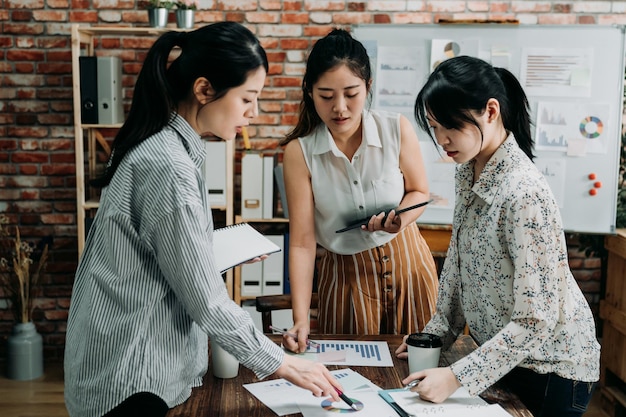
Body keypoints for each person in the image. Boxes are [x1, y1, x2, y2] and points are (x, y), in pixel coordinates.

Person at [64, 22, 343, 417]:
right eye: (248, 99)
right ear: (204, 90)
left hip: (123, 362)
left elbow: (157, 252)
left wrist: (209, 251)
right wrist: (282, 363)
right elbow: (207, 301)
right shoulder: (168, 166)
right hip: (131, 375)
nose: (254, 113)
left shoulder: (161, 144)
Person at [396, 55, 600, 416]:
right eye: (433, 126)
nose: (441, 139)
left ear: (490, 111)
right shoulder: (469, 172)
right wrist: (434, 337)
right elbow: (457, 267)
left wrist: (456, 376)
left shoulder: (524, 194)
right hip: (504, 358)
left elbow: (535, 320)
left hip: (551, 369)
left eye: (450, 126)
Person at [280, 28, 439, 353]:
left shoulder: (396, 129)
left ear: (368, 87)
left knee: (423, 370)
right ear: (310, 92)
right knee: (352, 373)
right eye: (326, 95)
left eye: (351, 94)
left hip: (410, 266)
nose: (340, 108)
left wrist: (401, 220)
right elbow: (301, 243)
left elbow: (419, 191)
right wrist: (300, 319)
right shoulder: (300, 153)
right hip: (345, 279)